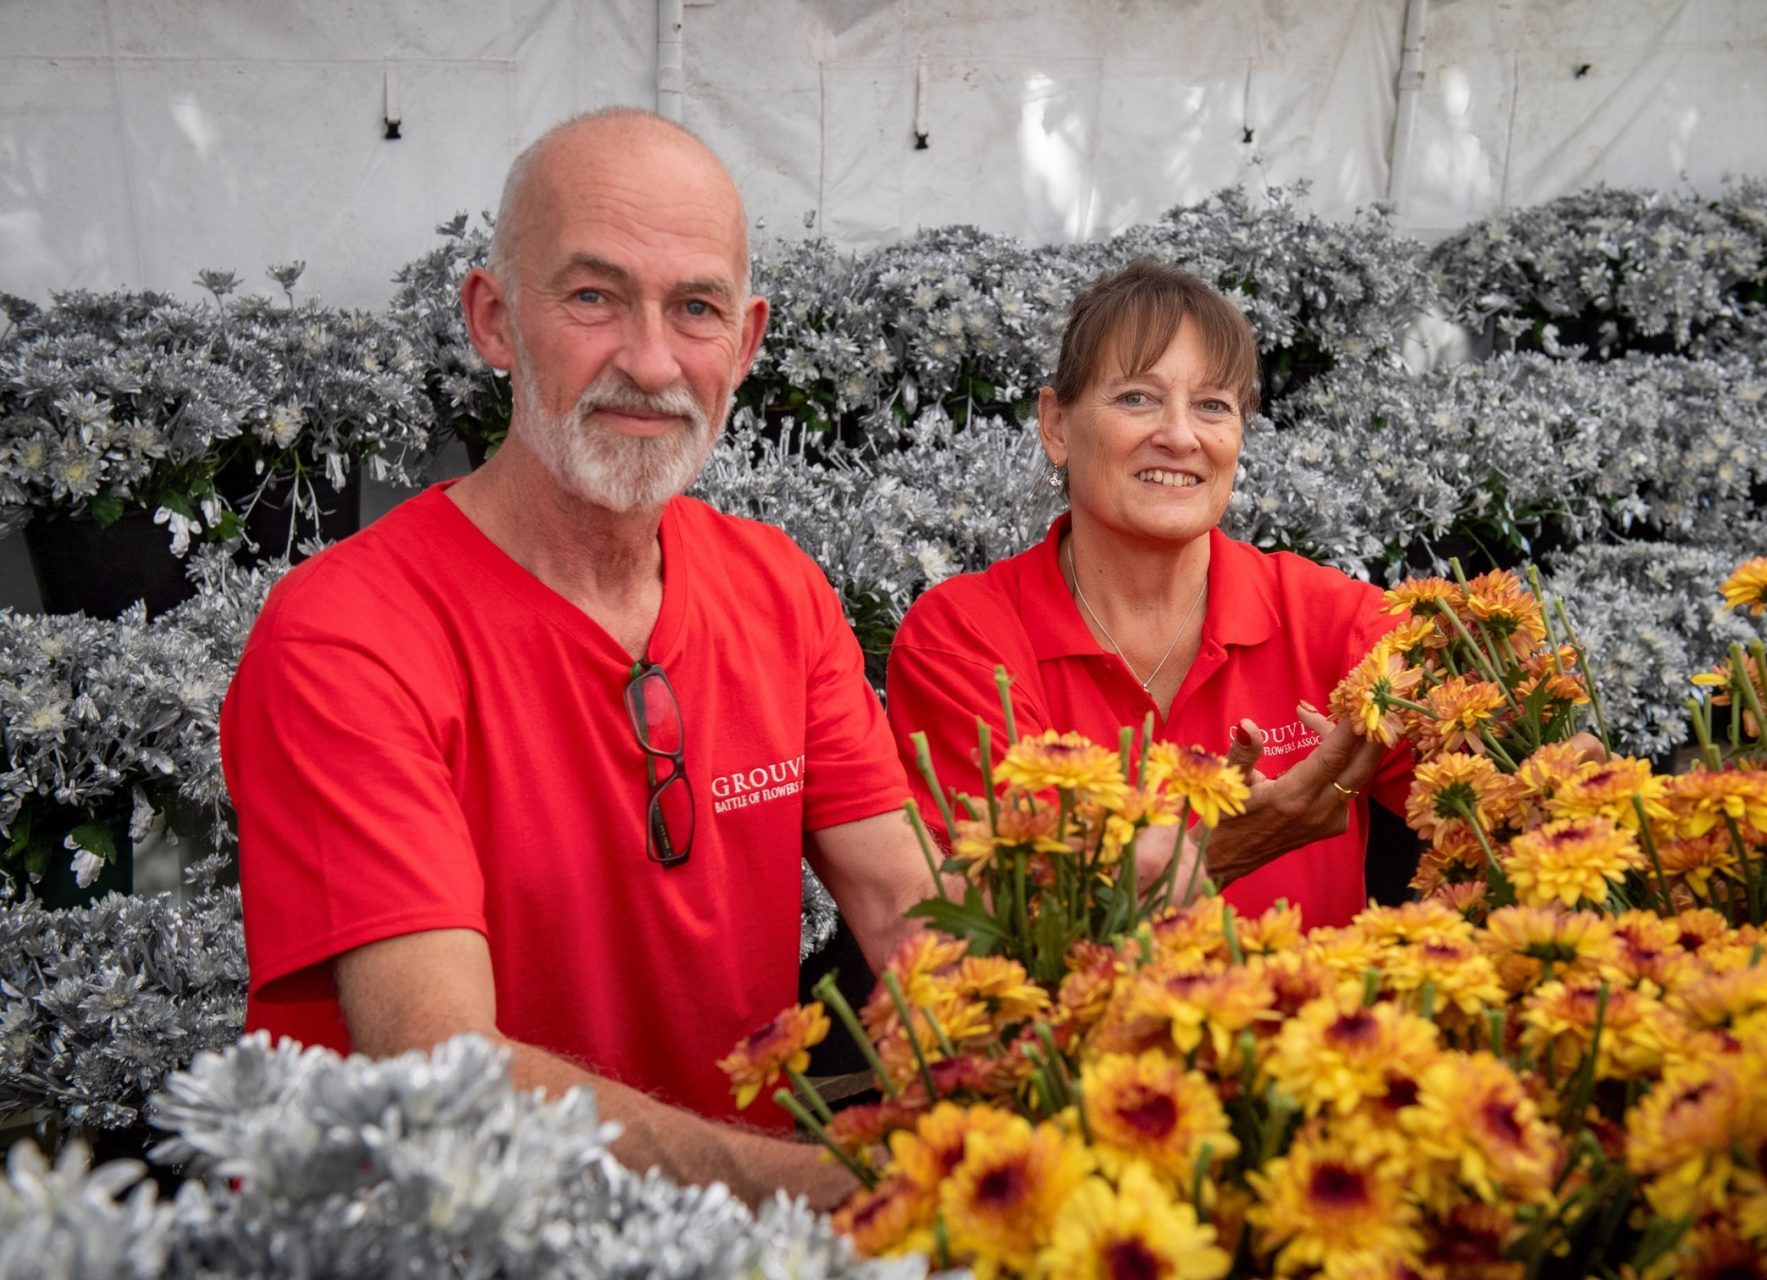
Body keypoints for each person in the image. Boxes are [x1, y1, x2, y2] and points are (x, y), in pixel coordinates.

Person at [223, 109, 933, 1207]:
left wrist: (1058, 1098)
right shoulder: (346, 635)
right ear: (495, 318)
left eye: (694, 308)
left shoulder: (777, 589)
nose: (650, 362)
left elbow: (908, 911)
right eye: (594, 298)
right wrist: (839, 1187)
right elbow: (442, 1069)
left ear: (745, 343)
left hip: (724, 1234)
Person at [885, 260, 1414, 929]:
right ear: (1055, 425)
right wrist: (1225, 852)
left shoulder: (1330, 618)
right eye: (1137, 397)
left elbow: (1496, 792)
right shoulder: (964, 640)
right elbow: (1008, 930)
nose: (1181, 435)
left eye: (1213, 406)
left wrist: (1552, 757)